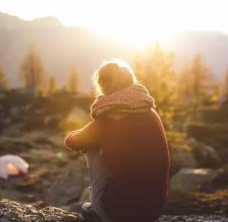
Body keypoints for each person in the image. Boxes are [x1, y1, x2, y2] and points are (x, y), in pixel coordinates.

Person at [64, 60, 170, 222]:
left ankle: (99, 205)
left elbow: (72, 142)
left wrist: (88, 132)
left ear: (103, 86)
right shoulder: (150, 112)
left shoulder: (107, 119)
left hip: (117, 214)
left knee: (90, 145)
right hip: (152, 212)